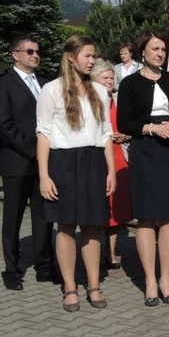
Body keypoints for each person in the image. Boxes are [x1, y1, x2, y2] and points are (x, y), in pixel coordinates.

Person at [36, 35, 115, 311]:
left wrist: (111, 171)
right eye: (88, 56)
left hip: (94, 161)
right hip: (63, 163)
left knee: (93, 226)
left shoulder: (100, 91)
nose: (92, 61)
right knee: (66, 226)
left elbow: (106, 134)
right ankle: (70, 287)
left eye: (94, 56)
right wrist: (44, 175)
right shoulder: (51, 90)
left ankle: (94, 285)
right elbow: (44, 134)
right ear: (71, 57)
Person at [117, 31, 169, 307]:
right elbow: (124, 122)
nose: (160, 53)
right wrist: (152, 128)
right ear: (142, 52)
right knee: (146, 217)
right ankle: (149, 280)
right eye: (155, 49)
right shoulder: (129, 83)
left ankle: (165, 279)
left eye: (163, 49)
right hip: (145, 151)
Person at [0, 37, 57, 290]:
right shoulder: (2, 85)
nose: (35, 55)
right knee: (12, 218)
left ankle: (44, 266)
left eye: (37, 51)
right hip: (18, 162)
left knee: (44, 215)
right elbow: (4, 125)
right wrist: (35, 151)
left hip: (44, 164)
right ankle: (12, 269)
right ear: (14, 55)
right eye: (29, 51)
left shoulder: (44, 84)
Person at [89, 60, 132, 270]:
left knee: (116, 209)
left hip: (118, 158)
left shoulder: (117, 99)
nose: (109, 81)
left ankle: (111, 253)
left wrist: (125, 135)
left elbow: (127, 123)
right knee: (98, 207)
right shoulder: (88, 100)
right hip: (98, 159)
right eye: (104, 77)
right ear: (94, 79)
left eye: (111, 78)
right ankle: (93, 253)